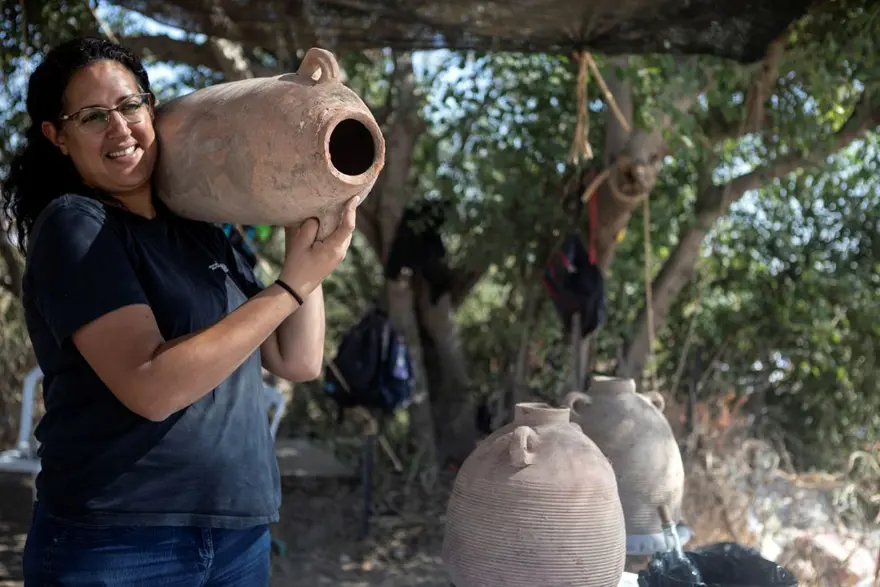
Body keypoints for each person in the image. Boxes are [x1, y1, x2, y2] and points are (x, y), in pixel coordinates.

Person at [1, 36, 357, 586]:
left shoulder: (205, 230)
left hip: (239, 532)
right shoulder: (76, 226)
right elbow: (151, 387)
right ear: (58, 136)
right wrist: (291, 286)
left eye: (129, 105)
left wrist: (302, 214)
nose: (120, 129)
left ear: (151, 107)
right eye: (93, 117)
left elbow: (297, 359)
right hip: (118, 542)